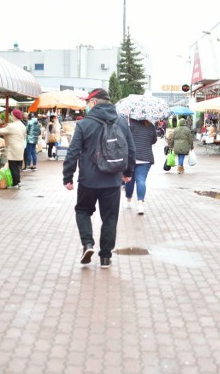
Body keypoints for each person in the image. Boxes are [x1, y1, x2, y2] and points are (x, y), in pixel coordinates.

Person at [62, 88, 135, 268]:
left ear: (93, 103)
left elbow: (72, 152)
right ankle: (105, 257)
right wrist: (127, 173)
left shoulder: (84, 124)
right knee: (110, 218)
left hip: (88, 180)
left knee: (83, 211)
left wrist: (68, 176)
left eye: (88, 102)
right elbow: (131, 150)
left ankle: (87, 244)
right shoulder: (121, 122)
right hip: (112, 179)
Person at [124, 118, 157, 214]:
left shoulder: (129, 125)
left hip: (131, 157)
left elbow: (124, 140)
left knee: (129, 180)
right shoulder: (150, 125)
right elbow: (154, 140)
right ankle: (140, 205)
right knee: (141, 180)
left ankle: (128, 201)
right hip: (146, 158)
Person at [0, 109, 27, 188]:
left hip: (13, 149)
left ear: (14, 116)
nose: (11, 116)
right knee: (17, 166)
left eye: (12, 115)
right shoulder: (22, 125)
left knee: (13, 166)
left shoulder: (12, 126)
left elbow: (0, 131)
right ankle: (17, 182)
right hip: (20, 148)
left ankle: (15, 183)